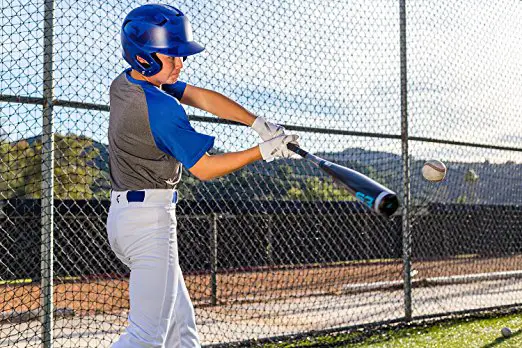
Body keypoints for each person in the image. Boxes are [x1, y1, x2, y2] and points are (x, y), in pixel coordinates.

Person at [106, 4, 298, 347]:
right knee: (147, 336)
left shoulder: (126, 82)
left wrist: (256, 123)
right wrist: (263, 151)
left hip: (126, 218)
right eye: (171, 56)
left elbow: (200, 97)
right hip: (149, 223)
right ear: (145, 58)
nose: (180, 63)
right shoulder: (161, 109)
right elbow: (205, 168)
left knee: (181, 329)